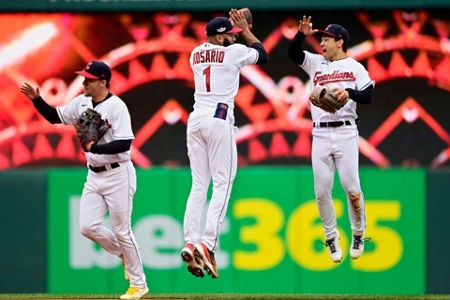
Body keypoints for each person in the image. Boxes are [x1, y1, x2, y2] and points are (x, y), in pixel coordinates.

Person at [20, 61, 148, 299]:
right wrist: (36, 99)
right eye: (84, 78)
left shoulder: (117, 106)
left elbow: (125, 143)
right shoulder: (81, 102)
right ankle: (123, 254)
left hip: (119, 173)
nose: (84, 82)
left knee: (122, 229)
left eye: (89, 79)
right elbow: (54, 117)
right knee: (87, 226)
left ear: (103, 81)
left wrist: (94, 148)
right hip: (94, 174)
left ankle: (139, 285)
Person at [180, 9, 268, 278]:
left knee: (198, 184)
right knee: (223, 182)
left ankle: (190, 242)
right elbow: (262, 54)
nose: (234, 37)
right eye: (229, 35)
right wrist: (246, 31)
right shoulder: (233, 52)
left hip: (195, 120)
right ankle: (207, 244)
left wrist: (235, 32)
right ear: (219, 38)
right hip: (218, 118)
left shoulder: (195, 53)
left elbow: (221, 50)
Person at [288, 16, 374, 263]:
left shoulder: (355, 67)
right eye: (321, 39)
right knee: (322, 191)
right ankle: (331, 237)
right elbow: (294, 53)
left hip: (346, 132)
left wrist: (349, 92)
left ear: (340, 41)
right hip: (320, 134)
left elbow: (368, 96)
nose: (322, 44)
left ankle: (358, 233)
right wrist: (301, 34)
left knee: (353, 190)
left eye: (326, 39)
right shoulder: (317, 63)